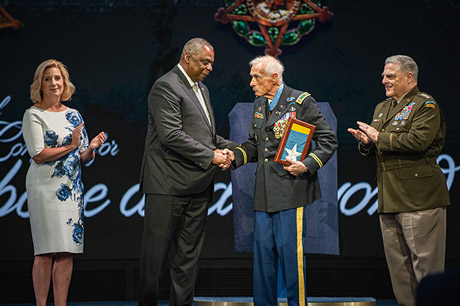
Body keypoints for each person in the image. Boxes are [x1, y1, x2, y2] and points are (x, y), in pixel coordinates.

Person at [229, 55, 337, 306]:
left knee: (291, 257)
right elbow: (256, 147)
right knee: (263, 260)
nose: (252, 83)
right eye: (252, 77)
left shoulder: (301, 102)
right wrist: (232, 156)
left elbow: (328, 140)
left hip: (291, 190)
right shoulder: (259, 103)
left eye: (257, 77)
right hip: (264, 192)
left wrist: (307, 164)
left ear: (274, 78)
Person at [138, 38, 237, 306]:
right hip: (167, 186)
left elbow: (206, 136)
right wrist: (212, 156)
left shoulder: (202, 89)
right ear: (186, 58)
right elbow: (171, 135)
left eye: (212, 63)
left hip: (198, 187)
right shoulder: (166, 86)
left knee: (187, 260)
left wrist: (237, 151)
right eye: (205, 62)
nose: (210, 67)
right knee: (155, 260)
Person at [348, 55, 450, 306]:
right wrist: (366, 142)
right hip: (390, 198)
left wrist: (378, 137)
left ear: (409, 77)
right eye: (384, 76)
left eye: (390, 76)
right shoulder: (382, 108)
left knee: (426, 269)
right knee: (400, 273)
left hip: (419, 198)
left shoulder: (425, 106)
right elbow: (377, 144)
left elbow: (418, 142)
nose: (384, 80)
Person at [22, 59, 106, 306]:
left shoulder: (74, 115)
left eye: (57, 78)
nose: (53, 83)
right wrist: (70, 145)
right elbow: (38, 154)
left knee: (66, 251)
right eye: (47, 79)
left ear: (64, 82)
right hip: (45, 190)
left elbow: (83, 157)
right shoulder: (33, 114)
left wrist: (91, 148)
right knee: (45, 251)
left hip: (71, 191)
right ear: (39, 84)